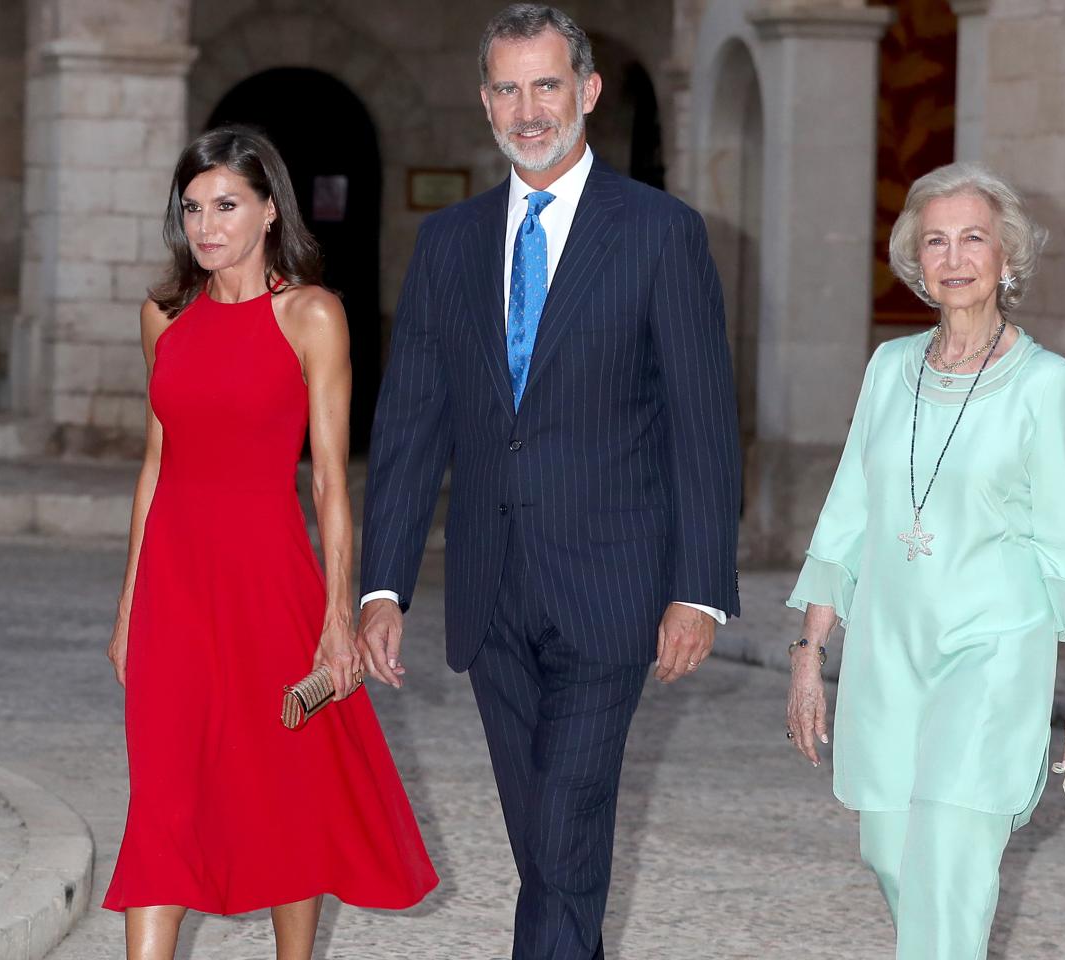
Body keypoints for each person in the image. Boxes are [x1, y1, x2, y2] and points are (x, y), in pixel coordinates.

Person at [356, 5, 741, 958]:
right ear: (485, 98)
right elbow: (411, 424)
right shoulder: (448, 244)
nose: (529, 110)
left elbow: (703, 425)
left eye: (547, 85)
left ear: (588, 93)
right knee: (545, 842)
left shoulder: (661, 233)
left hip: (612, 587)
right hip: (490, 591)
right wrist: (381, 585)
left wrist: (699, 589)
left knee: (566, 820)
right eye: (508, 88)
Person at [102, 125, 437, 960]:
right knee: (164, 799)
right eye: (192, 208)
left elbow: (330, 480)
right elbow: (154, 465)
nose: (206, 226)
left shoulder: (312, 315)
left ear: (267, 210)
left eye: (226, 206)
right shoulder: (162, 317)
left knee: (280, 786)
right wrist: (127, 607)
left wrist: (337, 614)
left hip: (269, 583)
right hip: (174, 590)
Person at [783, 162, 1065, 959]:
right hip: (890, 653)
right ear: (916, 261)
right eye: (936, 241)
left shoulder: (1047, 385)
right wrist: (808, 655)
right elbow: (845, 518)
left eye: (974, 238)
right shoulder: (889, 370)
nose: (954, 256)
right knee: (889, 852)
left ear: (1007, 257)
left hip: (993, 650)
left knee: (947, 865)